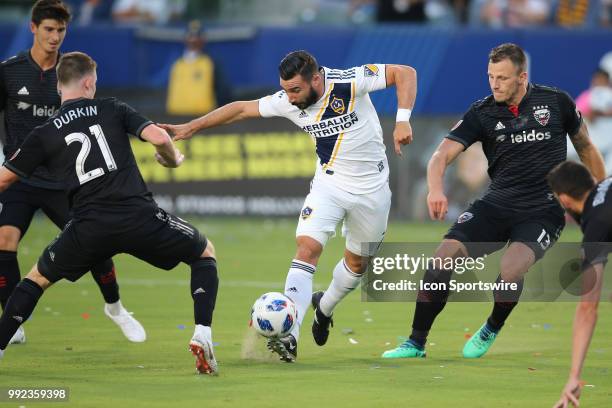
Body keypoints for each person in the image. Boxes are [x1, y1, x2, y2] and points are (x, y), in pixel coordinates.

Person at [161, 50, 417, 361]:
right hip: (329, 185)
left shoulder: (349, 81)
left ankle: (324, 307)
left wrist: (402, 120)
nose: (290, 98)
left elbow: (405, 72)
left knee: (358, 265)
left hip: (372, 190)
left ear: (317, 79)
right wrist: (191, 127)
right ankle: (290, 335)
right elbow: (241, 109)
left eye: (296, 90)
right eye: (285, 90)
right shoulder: (287, 100)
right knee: (307, 248)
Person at [0, 51, 219, 375]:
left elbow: (5, 179)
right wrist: (174, 159)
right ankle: (203, 335)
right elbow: (158, 136)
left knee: (36, 279)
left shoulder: (44, 133)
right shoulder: (111, 107)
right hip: (138, 216)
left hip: (87, 227)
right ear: (89, 82)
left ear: (60, 88)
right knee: (204, 252)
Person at [382, 43, 606, 360]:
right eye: (490, 76)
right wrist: (435, 189)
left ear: (522, 77)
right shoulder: (482, 112)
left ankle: (491, 326)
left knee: (510, 270)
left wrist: (603, 190)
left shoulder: (556, 103)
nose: (495, 84)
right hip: (496, 204)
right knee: (441, 259)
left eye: (502, 77)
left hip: (543, 211)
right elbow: (441, 155)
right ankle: (415, 342)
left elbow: (584, 146)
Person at [0, 0, 144, 344]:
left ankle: (116, 308)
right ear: (33, 28)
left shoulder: (69, 74)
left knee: (95, 244)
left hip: (62, 180)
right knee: (4, 241)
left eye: (61, 30)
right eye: (48, 29)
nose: (54, 37)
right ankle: (12, 321)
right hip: (19, 176)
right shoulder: (9, 71)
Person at [547, 161, 611, 408]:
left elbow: (587, 308)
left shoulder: (597, 225)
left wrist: (574, 375)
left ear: (564, 199)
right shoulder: (606, 184)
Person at [166, 21, 232, 116]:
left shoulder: (210, 62)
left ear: (203, 39)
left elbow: (222, 90)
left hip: (202, 115)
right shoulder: (177, 63)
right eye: (191, 36)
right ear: (185, 39)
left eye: (197, 37)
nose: (193, 40)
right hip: (176, 115)